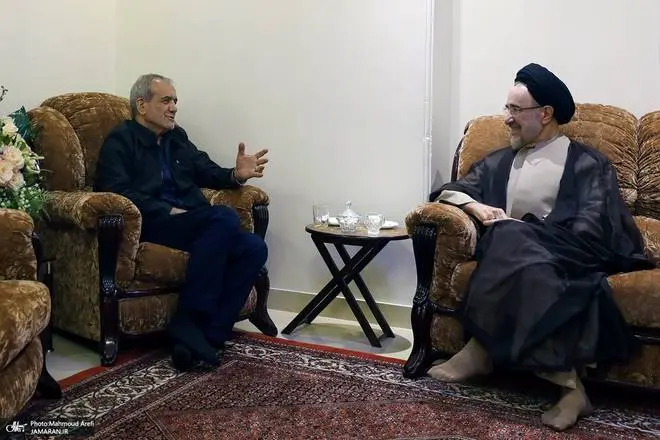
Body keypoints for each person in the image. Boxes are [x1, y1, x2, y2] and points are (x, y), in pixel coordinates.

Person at [427, 63, 653, 431]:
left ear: (545, 114)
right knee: (513, 245)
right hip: (517, 256)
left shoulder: (586, 163)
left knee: (509, 236)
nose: (507, 119)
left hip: (570, 252)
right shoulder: (501, 161)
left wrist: (529, 231)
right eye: (507, 108)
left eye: (516, 110)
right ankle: (571, 390)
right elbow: (451, 192)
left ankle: (480, 350)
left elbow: (594, 228)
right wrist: (477, 207)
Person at [95, 73, 269, 371]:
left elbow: (206, 170)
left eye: (175, 101)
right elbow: (115, 190)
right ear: (142, 105)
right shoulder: (120, 140)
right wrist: (166, 209)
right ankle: (189, 318)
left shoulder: (178, 137)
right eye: (166, 100)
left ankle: (207, 336)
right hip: (154, 223)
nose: (174, 107)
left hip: (194, 222)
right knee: (223, 218)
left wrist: (235, 175)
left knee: (254, 247)